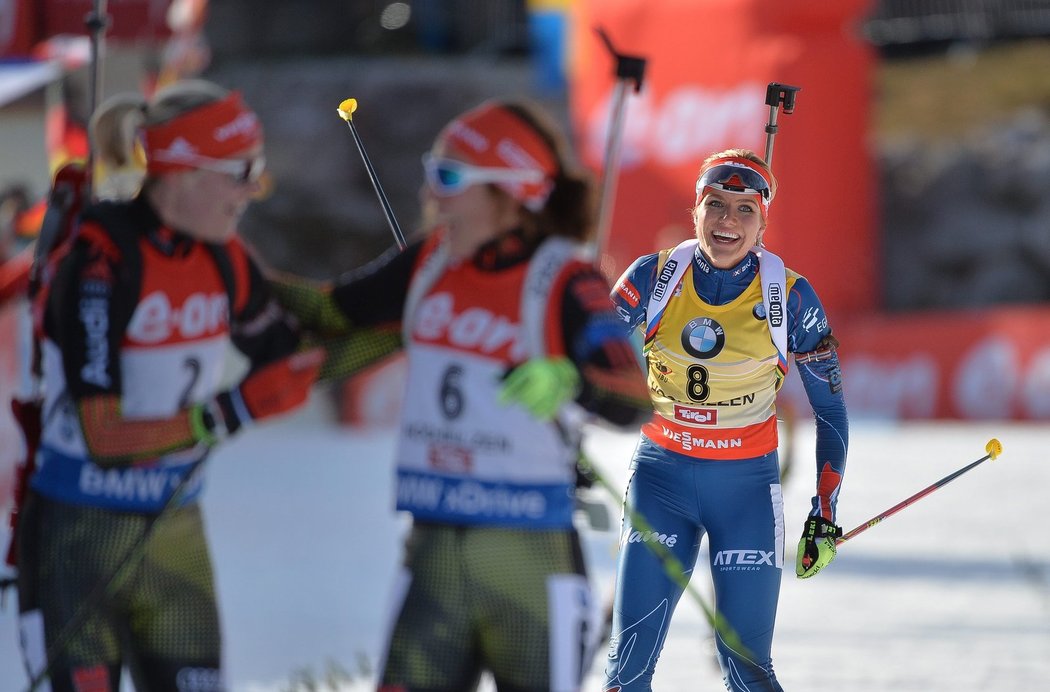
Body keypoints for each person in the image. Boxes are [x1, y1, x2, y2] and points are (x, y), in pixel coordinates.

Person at [270, 97, 651, 692]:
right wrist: (228, 267)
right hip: (433, 550)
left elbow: (632, 398)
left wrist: (571, 380)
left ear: (510, 194)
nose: (431, 193)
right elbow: (329, 310)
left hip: (529, 556)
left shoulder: (564, 278)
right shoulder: (427, 260)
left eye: (448, 176)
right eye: (431, 171)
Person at [13, 79, 322, 692]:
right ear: (180, 173)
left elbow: (296, 349)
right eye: (241, 171)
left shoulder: (224, 257)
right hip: (79, 535)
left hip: (174, 531)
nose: (253, 191)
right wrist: (227, 412)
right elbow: (105, 434)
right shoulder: (101, 262)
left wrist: (420, 308)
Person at [604, 149, 849, 691]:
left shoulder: (792, 297)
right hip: (660, 481)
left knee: (748, 669)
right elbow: (585, 359)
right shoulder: (650, 278)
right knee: (628, 670)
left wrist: (824, 510)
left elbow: (829, 410)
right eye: (716, 205)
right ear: (696, 211)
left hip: (746, 491)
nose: (727, 222)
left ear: (764, 222)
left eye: (745, 210)